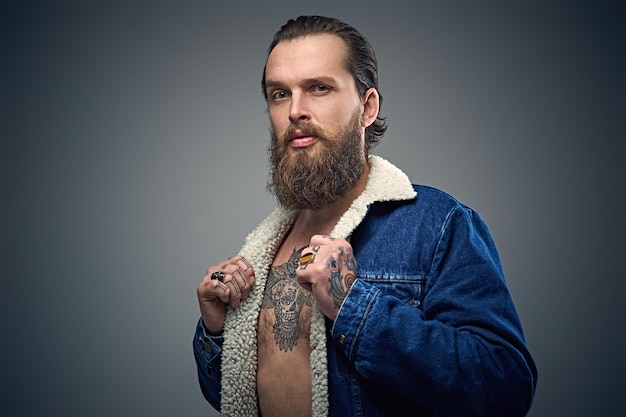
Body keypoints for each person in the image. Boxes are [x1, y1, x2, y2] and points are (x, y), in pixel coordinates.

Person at [193, 15, 537, 417]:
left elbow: (504, 388)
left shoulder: (438, 224)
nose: (295, 110)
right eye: (279, 94)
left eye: (319, 88)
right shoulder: (264, 248)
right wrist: (216, 331)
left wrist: (352, 304)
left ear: (367, 107)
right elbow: (241, 396)